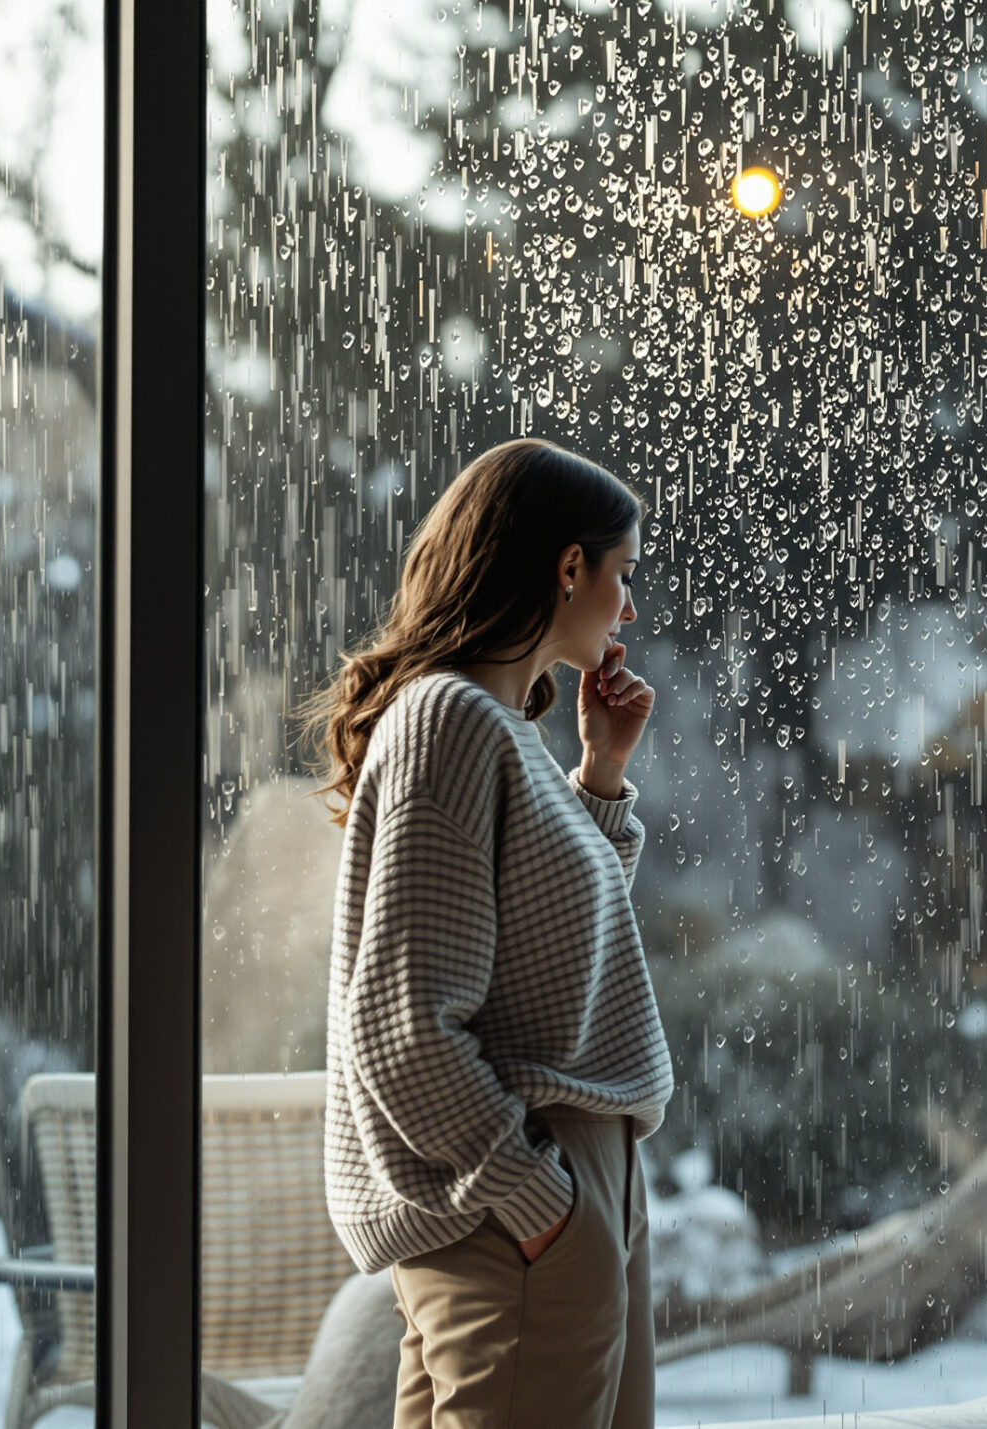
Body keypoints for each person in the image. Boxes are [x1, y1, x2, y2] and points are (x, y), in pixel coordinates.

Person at [306, 437, 669, 1429]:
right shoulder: (450, 721)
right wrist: (533, 1199)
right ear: (566, 567)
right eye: (620, 573)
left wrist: (598, 776)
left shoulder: (494, 730)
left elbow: (550, 958)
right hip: (522, 1201)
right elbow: (401, 1022)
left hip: (556, 1190)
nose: (628, 607)